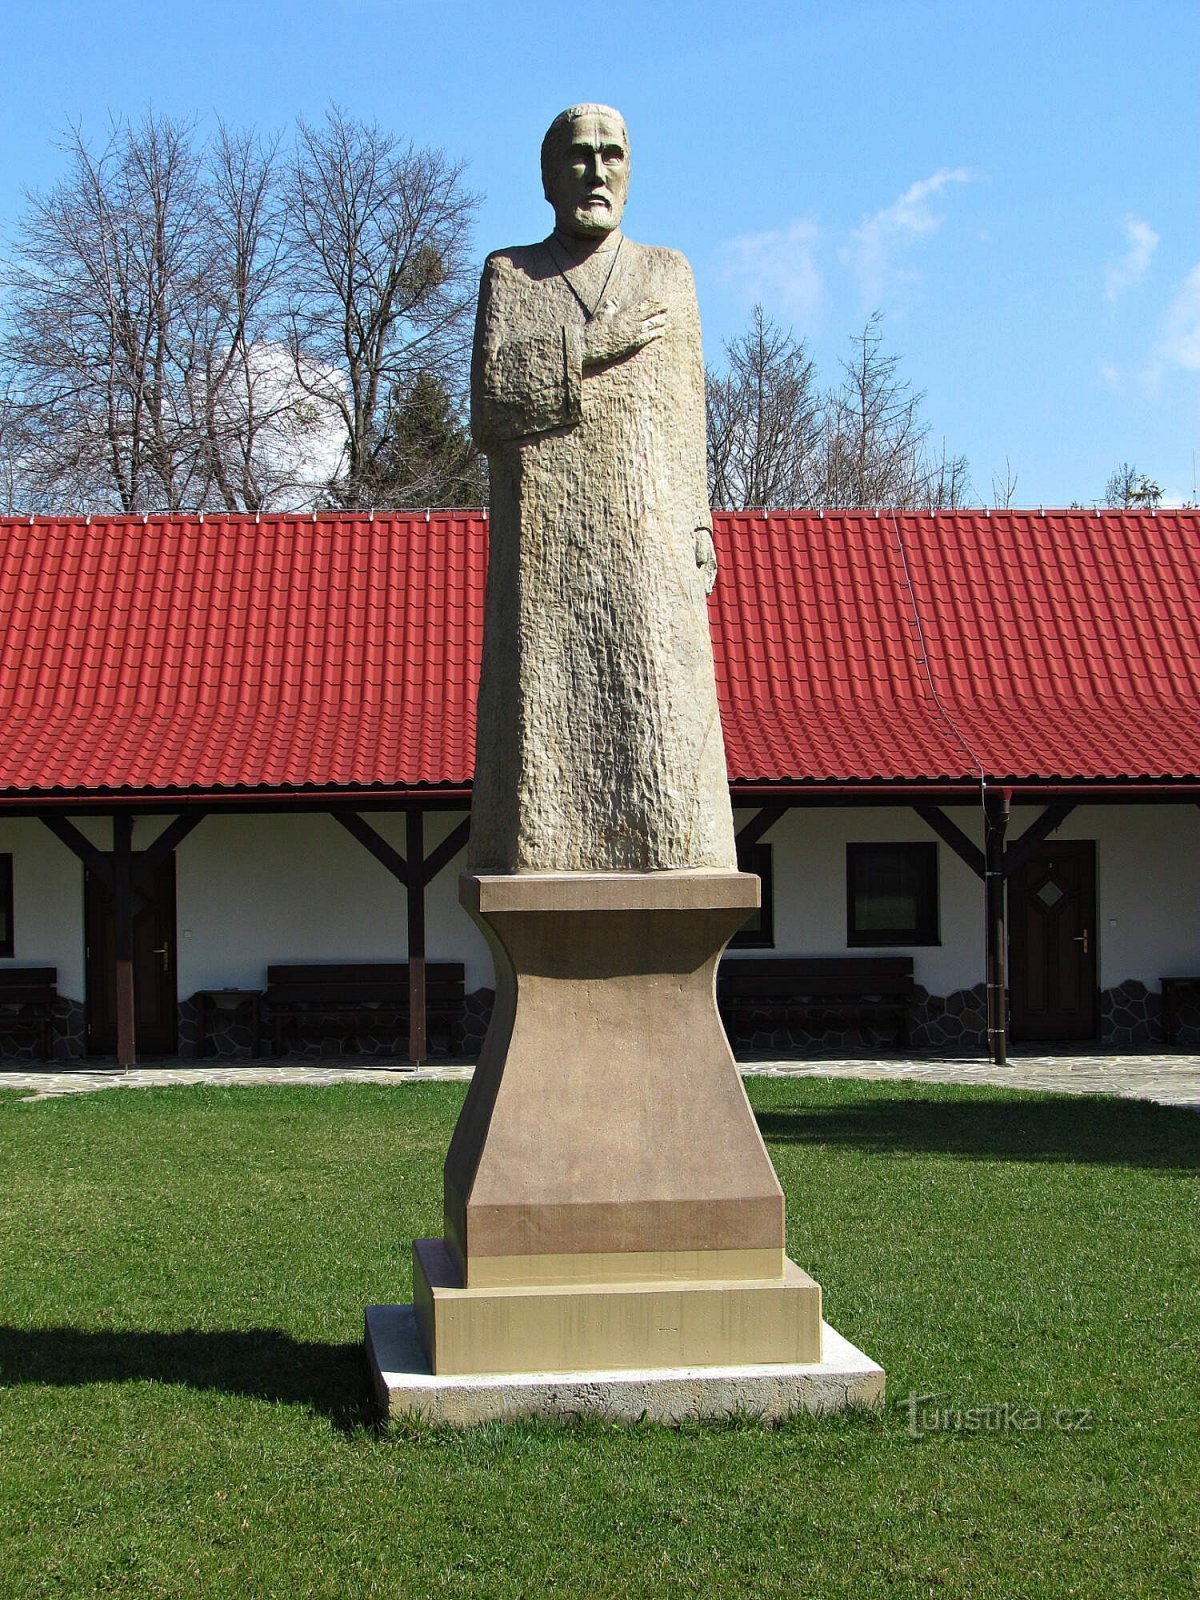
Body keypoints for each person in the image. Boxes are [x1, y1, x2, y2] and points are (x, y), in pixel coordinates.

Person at [468, 104, 735, 873]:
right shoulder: (511, 275)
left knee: (658, 718)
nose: (597, 170)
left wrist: (698, 525)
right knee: (546, 725)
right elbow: (491, 403)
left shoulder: (667, 273)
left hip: (648, 539)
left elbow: (687, 409)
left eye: (612, 154)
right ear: (548, 177)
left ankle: (669, 854)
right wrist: (590, 347)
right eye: (579, 156)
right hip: (548, 554)